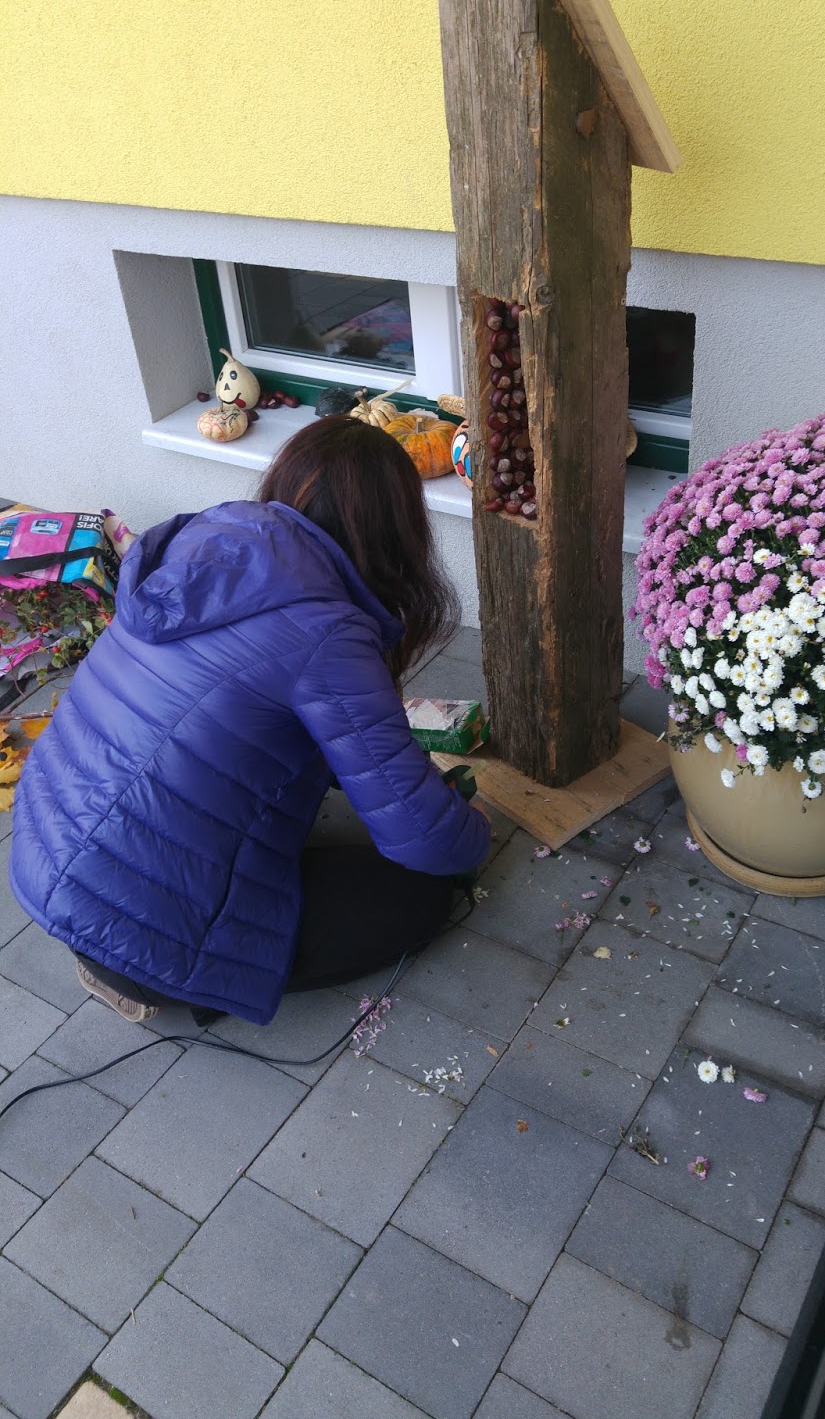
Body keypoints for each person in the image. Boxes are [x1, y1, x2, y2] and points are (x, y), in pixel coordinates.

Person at [9, 416, 491, 1025]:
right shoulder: (327, 633)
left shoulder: (206, 536)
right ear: (395, 531)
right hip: (136, 927)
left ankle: (153, 959)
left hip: (50, 855)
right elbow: (427, 840)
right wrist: (475, 828)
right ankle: (189, 983)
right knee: (421, 895)